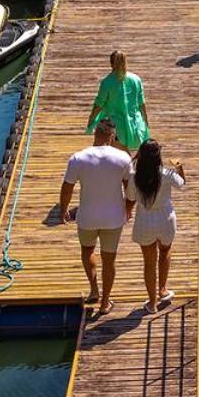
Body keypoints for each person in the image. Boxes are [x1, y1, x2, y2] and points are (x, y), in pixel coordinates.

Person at [57, 117, 135, 317]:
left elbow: (67, 187)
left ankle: (94, 289)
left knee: (87, 251)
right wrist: (128, 208)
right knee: (109, 261)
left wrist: (64, 209)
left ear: (95, 134)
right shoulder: (123, 158)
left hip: (87, 217)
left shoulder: (78, 158)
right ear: (112, 136)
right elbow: (130, 189)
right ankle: (105, 302)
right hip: (114, 218)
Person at [131, 139, 188, 313]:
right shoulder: (166, 174)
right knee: (164, 251)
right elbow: (182, 184)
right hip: (166, 219)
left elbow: (130, 198)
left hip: (144, 220)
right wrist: (179, 167)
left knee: (149, 263)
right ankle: (163, 289)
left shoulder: (134, 176)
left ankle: (152, 302)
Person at [87, 50, 150, 151]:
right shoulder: (136, 79)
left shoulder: (107, 81)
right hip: (134, 124)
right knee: (127, 153)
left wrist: (91, 119)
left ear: (111, 64)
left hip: (115, 127)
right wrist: (146, 123)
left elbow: (99, 104)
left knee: (119, 152)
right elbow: (142, 104)